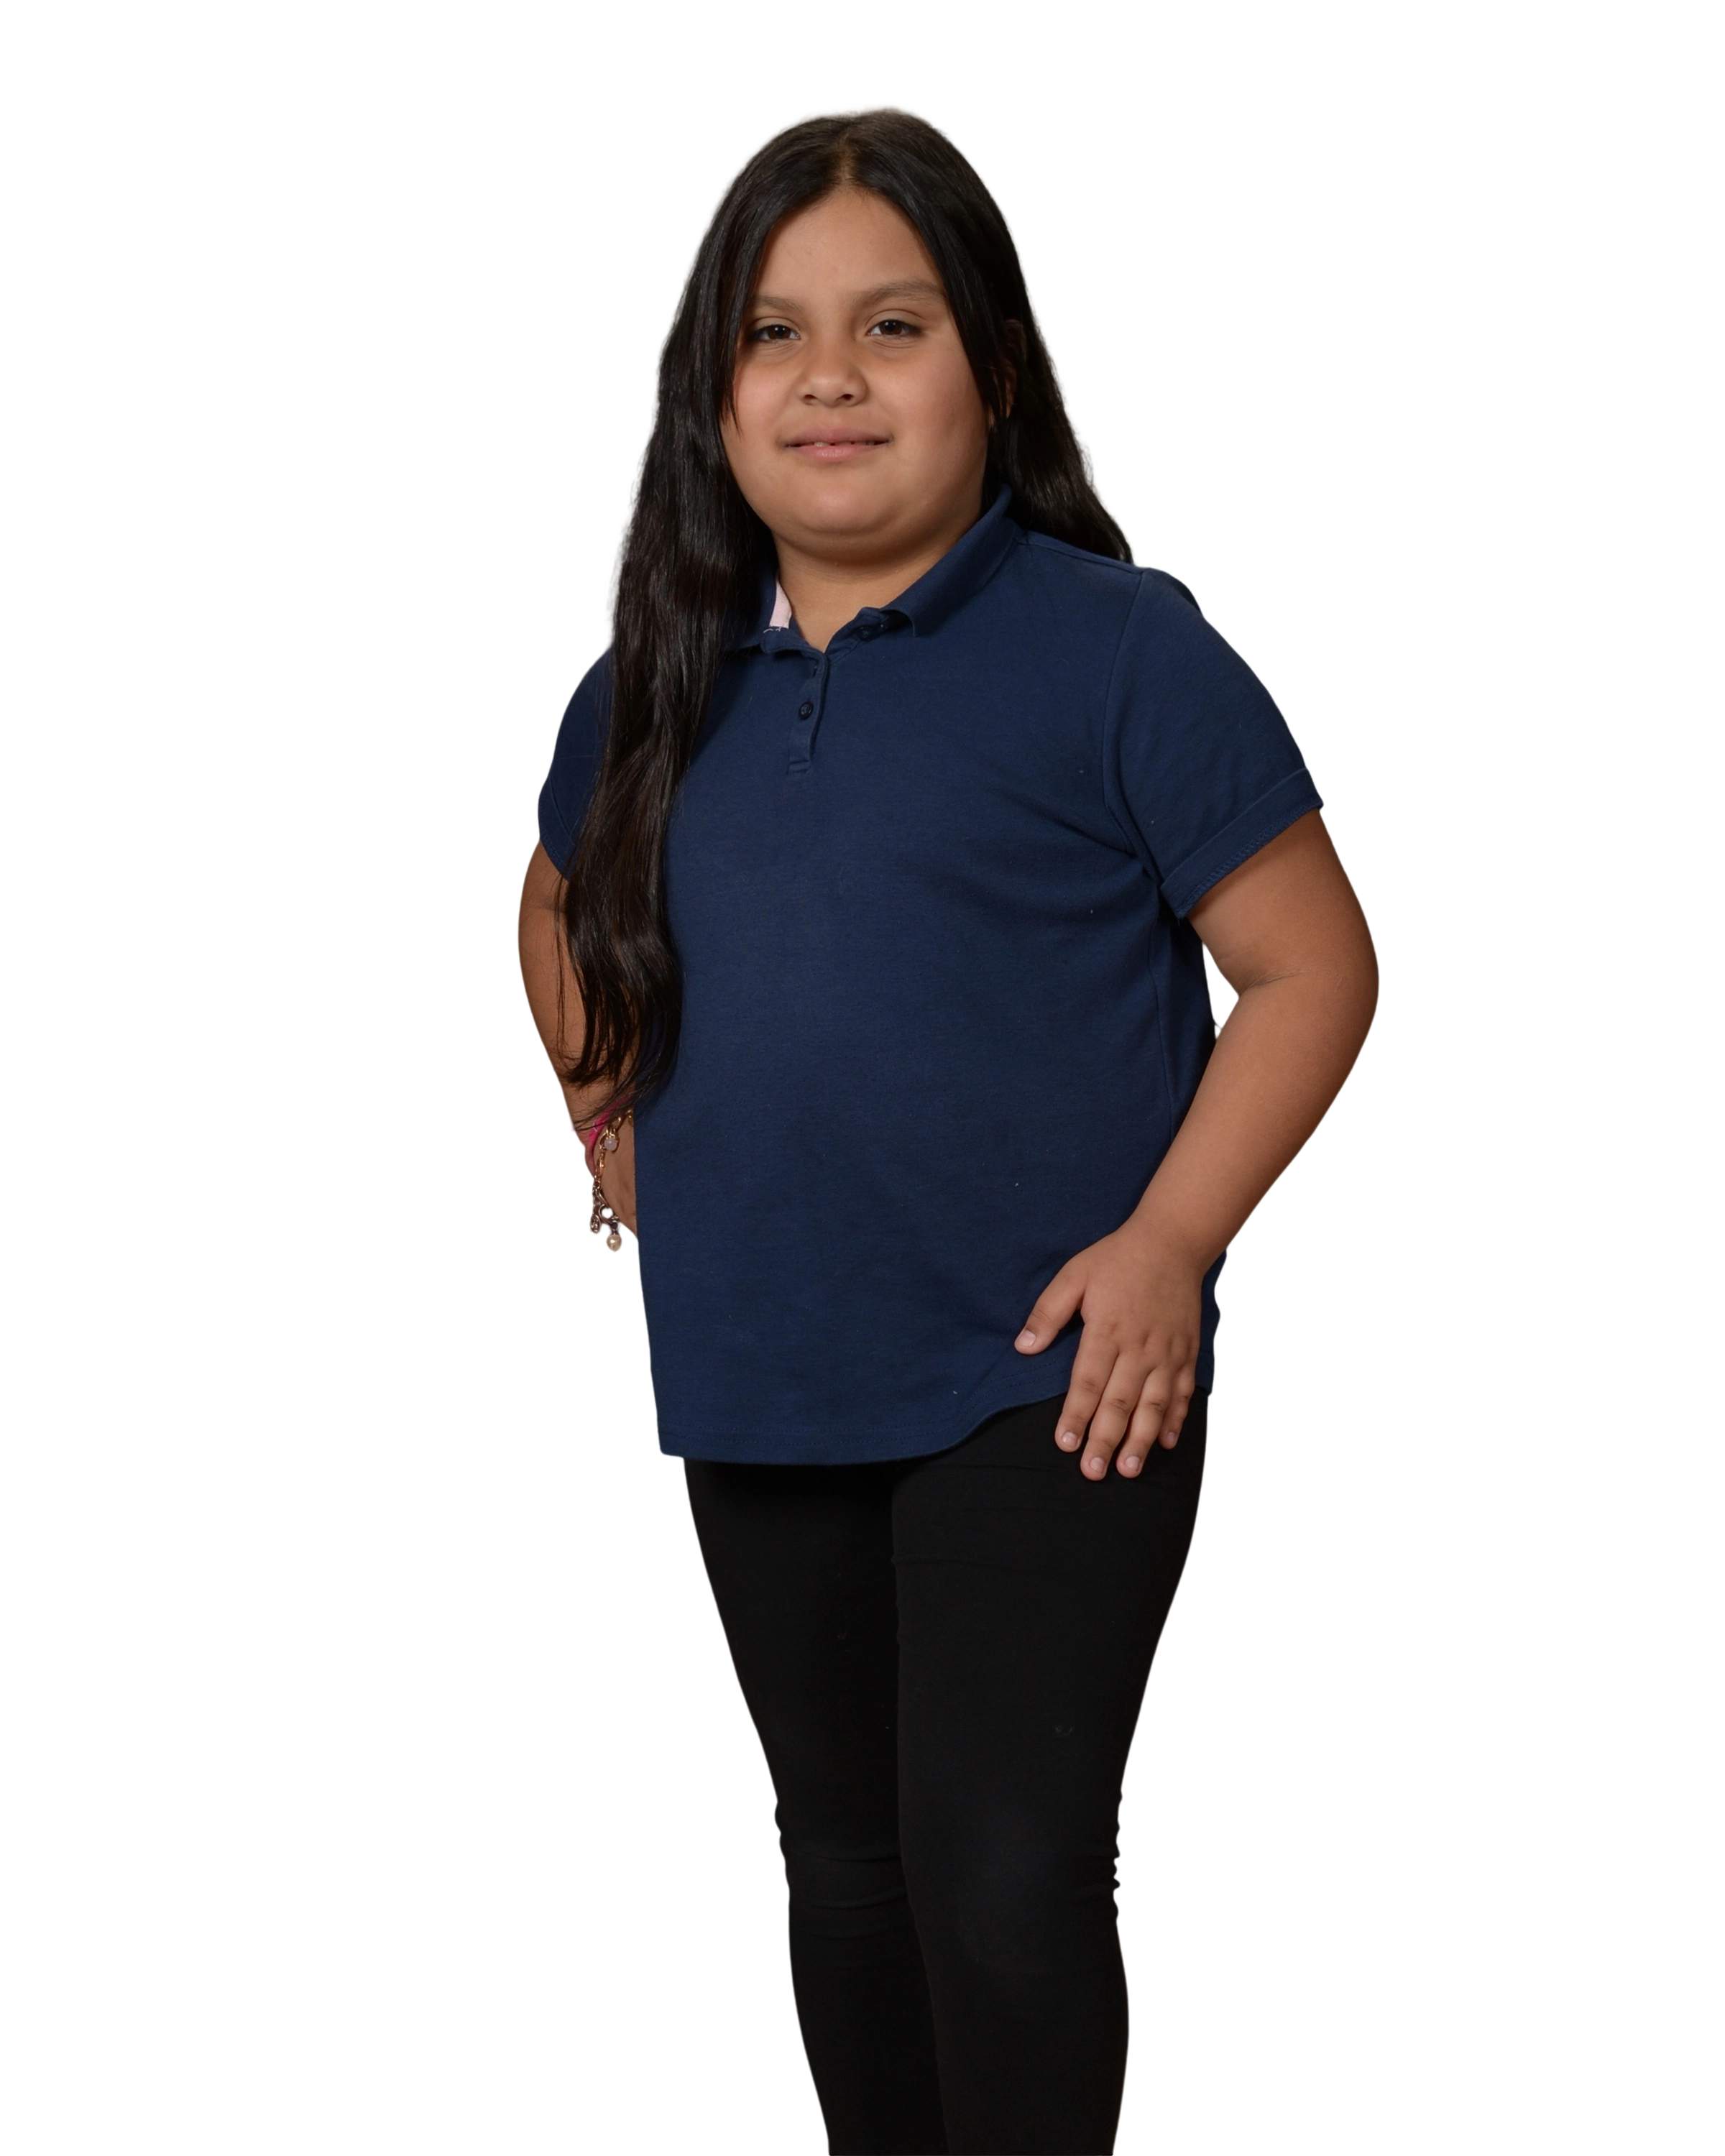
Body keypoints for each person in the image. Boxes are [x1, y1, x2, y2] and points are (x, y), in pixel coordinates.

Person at [517, 100, 1379, 2156]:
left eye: (890, 326)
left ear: (990, 368)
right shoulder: (653, 682)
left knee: (1001, 1860)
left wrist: (1169, 1246)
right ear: (713, 394)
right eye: (776, 332)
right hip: (757, 1353)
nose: (828, 377)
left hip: (1053, 1372)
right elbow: (552, 905)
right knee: (848, 1868)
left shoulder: (1122, 649)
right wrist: (597, 1092)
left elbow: (1314, 969)